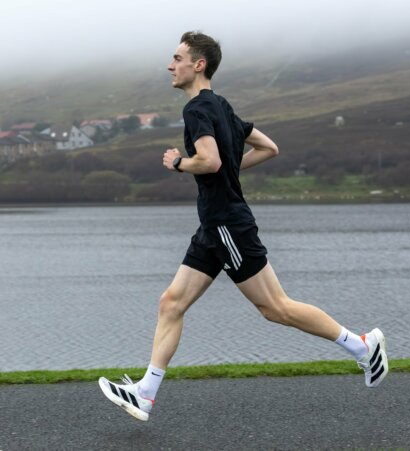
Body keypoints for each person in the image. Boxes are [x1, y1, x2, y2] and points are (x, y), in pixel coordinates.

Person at [99, 31, 388, 422]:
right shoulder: (223, 108)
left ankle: (363, 345)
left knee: (276, 308)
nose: (171, 65)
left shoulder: (197, 110)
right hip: (213, 227)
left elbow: (211, 162)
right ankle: (145, 394)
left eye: (177, 58)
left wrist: (179, 163)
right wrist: (226, 163)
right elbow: (269, 148)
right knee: (171, 302)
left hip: (226, 226)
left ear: (198, 65)